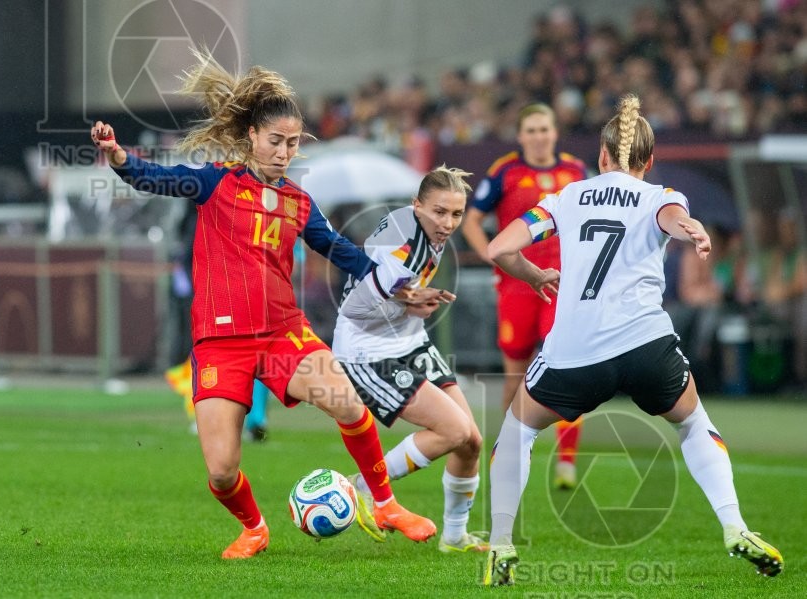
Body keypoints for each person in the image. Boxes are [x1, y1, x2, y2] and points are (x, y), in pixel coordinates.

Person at [91, 50, 436, 559]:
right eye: (276, 141)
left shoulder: (299, 202)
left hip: (282, 334)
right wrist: (119, 157)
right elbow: (155, 180)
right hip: (220, 343)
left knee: (346, 402)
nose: (284, 151)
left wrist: (395, 284)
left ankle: (384, 503)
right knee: (221, 469)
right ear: (252, 136)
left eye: (293, 143)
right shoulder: (215, 182)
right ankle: (254, 528)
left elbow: (340, 250)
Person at [481, 94, 784, 586]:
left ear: (601, 157)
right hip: (646, 346)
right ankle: (735, 526)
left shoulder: (566, 197)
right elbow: (672, 220)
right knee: (692, 424)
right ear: (647, 161)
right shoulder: (662, 194)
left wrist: (535, 275)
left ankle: (500, 545)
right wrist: (694, 232)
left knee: (518, 430)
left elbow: (499, 247)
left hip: (574, 352)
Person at [333, 166, 487, 553]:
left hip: (408, 342)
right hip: (367, 352)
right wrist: (406, 299)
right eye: (439, 212)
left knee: (471, 441)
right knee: (454, 431)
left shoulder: (418, 228)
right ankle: (365, 488)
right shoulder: (404, 248)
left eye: (455, 214)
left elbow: (395, 290)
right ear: (416, 205)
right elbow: (354, 307)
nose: (448, 223)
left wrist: (411, 301)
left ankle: (454, 537)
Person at [462, 103, 587, 489]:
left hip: (561, 286)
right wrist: (491, 255)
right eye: (531, 130)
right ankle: (513, 455)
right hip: (517, 285)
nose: (538, 136)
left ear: (554, 132)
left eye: (544, 129)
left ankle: (566, 464)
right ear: (520, 135)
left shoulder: (576, 172)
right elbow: (471, 220)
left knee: (567, 369)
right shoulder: (506, 171)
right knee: (515, 378)